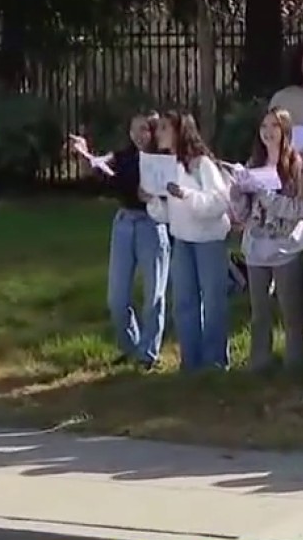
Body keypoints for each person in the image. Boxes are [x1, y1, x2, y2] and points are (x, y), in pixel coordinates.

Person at [66, 113, 170, 370]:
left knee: (154, 295)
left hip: (152, 225)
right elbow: (98, 167)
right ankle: (130, 347)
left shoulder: (164, 158)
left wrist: (155, 196)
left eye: (144, 129)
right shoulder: (123, 156)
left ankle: (148, 354)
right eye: (134, 129)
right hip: (124, 223)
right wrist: (84, 153)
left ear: (153, 131)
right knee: (117, 298)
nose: (138, 135)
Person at [228, 108, 303, 372]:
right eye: (264, 126)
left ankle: (295, 362)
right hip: (256, 248)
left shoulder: (298, 165)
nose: (268, 132)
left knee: (291, 310)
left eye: (275, 126)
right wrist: (237, 193)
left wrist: (267, 196)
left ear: (285, 130)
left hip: (286, 247)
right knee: (259, 312)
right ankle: (260, 361)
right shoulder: (253, 164)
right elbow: (243, 214)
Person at [146, 112, 233, 373]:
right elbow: (166, 214)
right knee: (184, 302)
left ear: (179, 130)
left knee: (213, 302)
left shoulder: (201, 164)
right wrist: (152, 200)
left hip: (209, 241)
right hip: (182, 240)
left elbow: (219, 203)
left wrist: (185, 194)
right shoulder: (166, 166)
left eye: (164, 128)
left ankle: (215, 361)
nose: (158, 133)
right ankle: (191, 362)